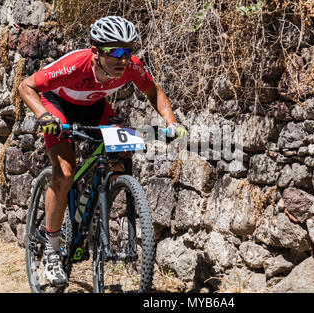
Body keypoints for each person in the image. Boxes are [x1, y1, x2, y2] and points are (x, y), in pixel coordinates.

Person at [18, 16, 187, 286]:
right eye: (116, 52)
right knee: (64, 173)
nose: (124, 59)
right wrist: (42, 117)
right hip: (57, 105)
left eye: (128, 51)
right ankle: (50, 250)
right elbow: (26, 86)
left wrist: (171, 123)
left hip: (95, 107)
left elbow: (153, 91)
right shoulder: (74, 65)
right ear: (96, 51)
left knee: (125, 151)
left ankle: (103, 197)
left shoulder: (131, 67)